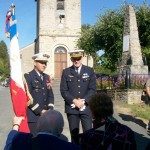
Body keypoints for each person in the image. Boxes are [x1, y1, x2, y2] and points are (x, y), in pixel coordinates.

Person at [60, 50, 96, 144]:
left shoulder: (89, 70)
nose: (76, 61)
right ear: (71, 59)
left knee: (88, 134)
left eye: (78, 58)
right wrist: (74, 101)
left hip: (86, 107)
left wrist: (83, 101)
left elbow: (92, 89)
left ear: (82, 58)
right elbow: (63, 90)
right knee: (74, 136)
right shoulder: (66, 72)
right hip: (72, 109)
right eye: (74, 59)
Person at [4, 110, 81, 150]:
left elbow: (9, 145)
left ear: (37, 126)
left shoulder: (21, 141)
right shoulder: (72, 148)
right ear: (60, 130)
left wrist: (15, 126)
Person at [24, 53, 54, 136]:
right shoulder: (28, 76)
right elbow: (28, 98)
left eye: (45, 63)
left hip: (46, 116)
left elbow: (50, 95)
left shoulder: (46, 77)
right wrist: (40, 111)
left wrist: (50, 109)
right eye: (41, 62)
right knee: (35, 141)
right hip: (34, 116)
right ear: (34, 63)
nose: (44, 65)